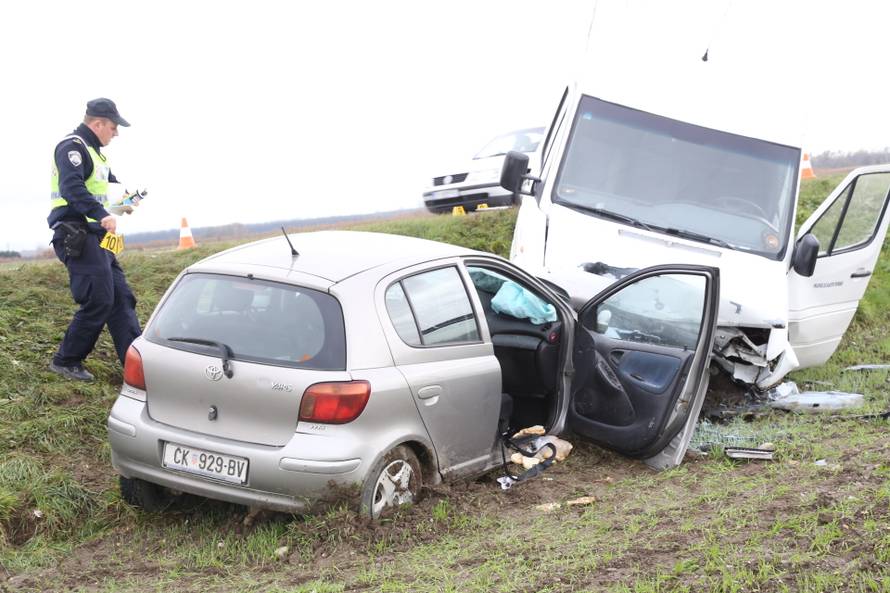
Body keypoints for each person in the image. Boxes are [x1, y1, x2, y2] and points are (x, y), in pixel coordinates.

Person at [47, 98, 142, 381]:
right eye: (113, 127)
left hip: (99, 238)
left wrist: (127, 202)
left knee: (122, 298)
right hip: (77, 235)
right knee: (99, 299)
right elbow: (71, 187)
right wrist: (101, 214)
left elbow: (107, 195)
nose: (116, 133)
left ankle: (136, 363)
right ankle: (66, 361)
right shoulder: (72, 147)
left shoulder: (98, 155)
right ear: (98, 123)